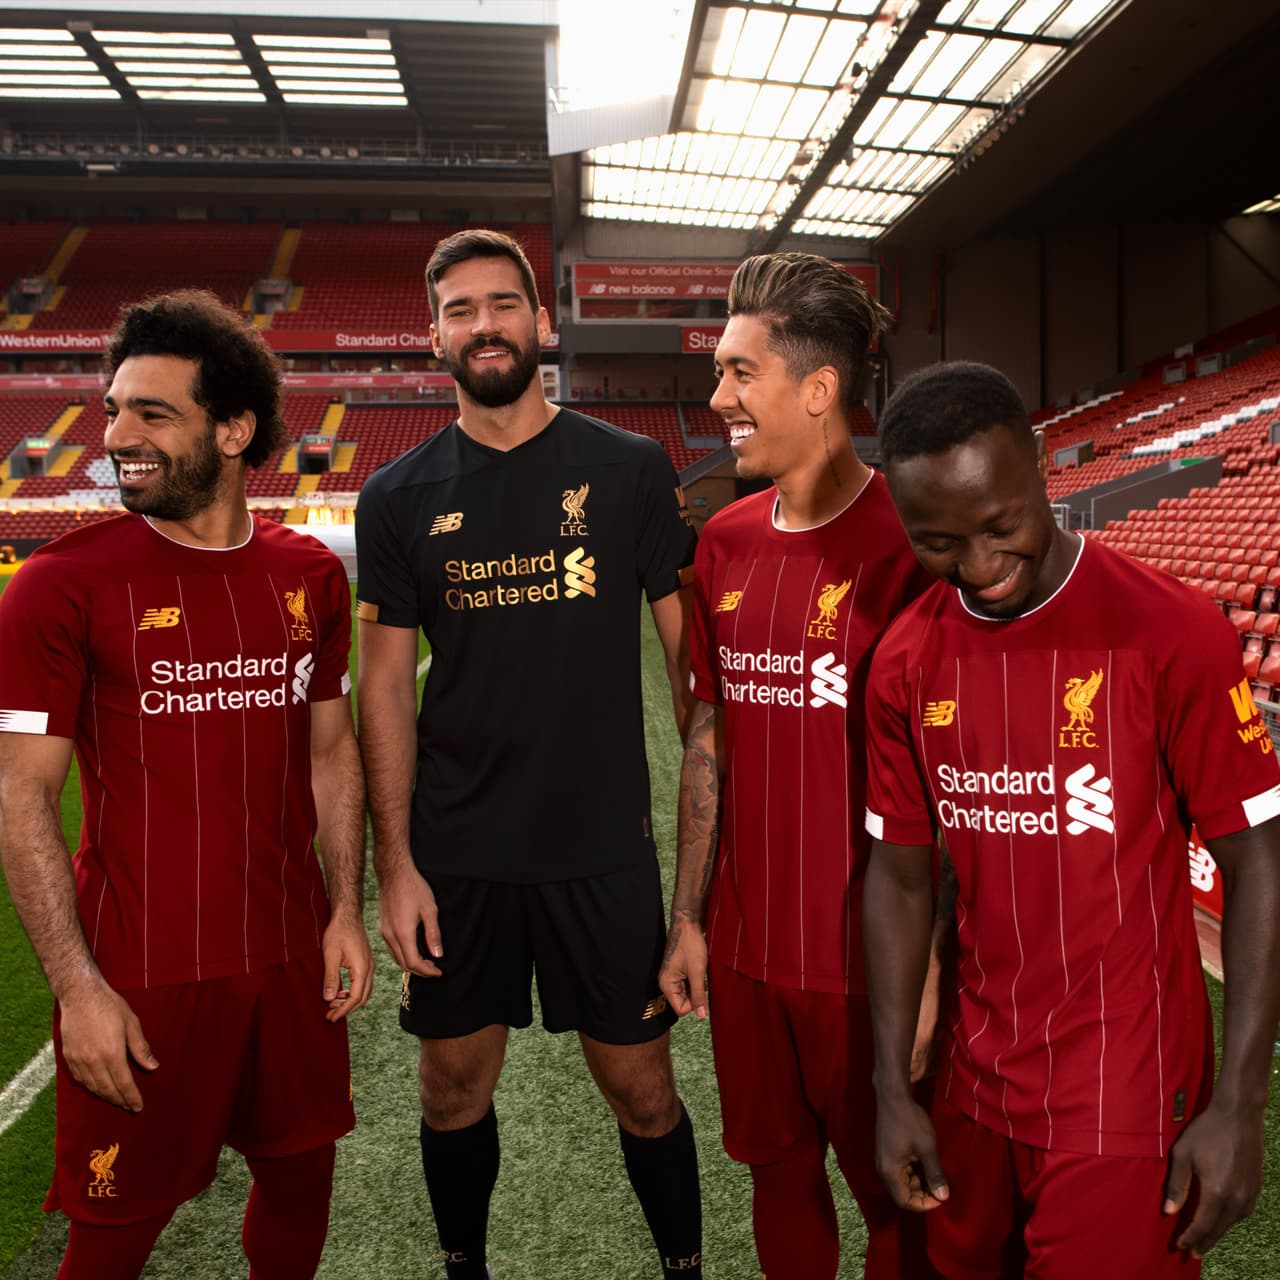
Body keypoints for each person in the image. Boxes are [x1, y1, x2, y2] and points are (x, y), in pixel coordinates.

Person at [863, 360, 1280, 1279]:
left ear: (1042, 468)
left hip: (1126, 1089)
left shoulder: (1170, 632)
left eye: (1001, 527)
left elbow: (1260, 864)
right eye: (937, 543)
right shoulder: (903, 661)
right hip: (973, 1081)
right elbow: (897, 879)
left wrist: (1241, 1104)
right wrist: (894, 1088)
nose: (979, 568)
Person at [0, 290, 373, 1280]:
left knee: (300, 1184)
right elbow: (22, 794)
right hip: (140, 974)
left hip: (292, 959)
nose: (115, 433)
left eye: (151, 413)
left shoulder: (308, 577)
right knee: (111, 1234)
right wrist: (76, 987)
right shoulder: (60, 584)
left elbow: (331, 748)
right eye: (113, 407)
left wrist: (344, 908)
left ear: (235, 428)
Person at [355, 229, 702, 1280]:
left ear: (540, 321)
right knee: (450, 1089)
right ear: (433, 338)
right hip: (457, 852)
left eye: (502, 304)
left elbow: (697, 688)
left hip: (600, 847)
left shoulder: (630, 469)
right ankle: (467, 1265)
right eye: (460, 310)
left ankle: (683, 1265)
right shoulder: (397, 495)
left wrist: (694, 887)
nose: (485, 325)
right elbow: (382, 687)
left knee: (643, 1091)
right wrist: (396, 865)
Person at [656, 251, 938, 1279]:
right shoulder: (723, 543)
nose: (716, 395)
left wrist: (934, 967)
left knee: (893, 1202)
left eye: (738, 372)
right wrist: (688, 916)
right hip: (743, 955)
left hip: (870, 966)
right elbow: (707, 734)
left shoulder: (913, 543)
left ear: (817, 390)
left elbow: (949, 779)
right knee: (776, 1180)